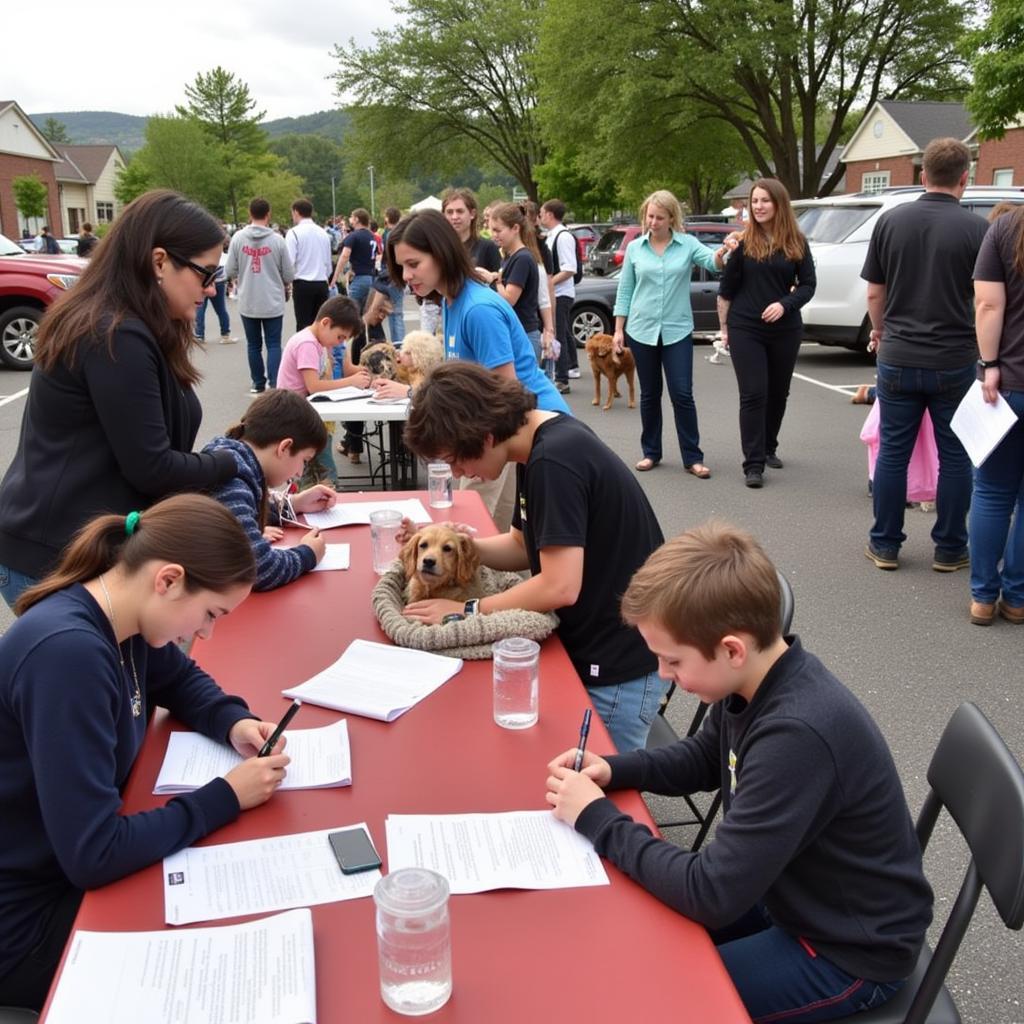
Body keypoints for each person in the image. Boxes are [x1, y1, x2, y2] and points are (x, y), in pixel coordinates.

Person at [545, 521, 932, 1022]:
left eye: (672, 661)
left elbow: (710, 893)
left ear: (732, 648)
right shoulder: (753, 680)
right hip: (788, 894)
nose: (663, 675)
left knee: (658, 996)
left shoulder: (798, 734)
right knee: (636, 937)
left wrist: (597, 819)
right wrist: (612, 770)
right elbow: (704, 758)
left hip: (848, 950)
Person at [0, 494, 291, 1011]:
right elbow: (95, 852)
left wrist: (234, 721)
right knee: (219, 969)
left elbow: (178, 680)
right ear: (168, 579)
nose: (205, 632)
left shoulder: (121, 617)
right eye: (210, 613)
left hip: (59, 872)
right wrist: (225, 796)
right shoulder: (69, 656)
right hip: (25, 921)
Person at [402, 362, 665, 753]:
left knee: (604, 794)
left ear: (484, 436)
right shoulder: (538, 447)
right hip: (592, 646)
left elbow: (560, 585)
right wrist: (460, 550)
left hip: (613, 665)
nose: (459, 471)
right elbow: (523, 547)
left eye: (456, 460)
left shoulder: (554, 462)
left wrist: (467, 610)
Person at [0, 189, 239, 610]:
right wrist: (234, 458)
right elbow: (153, 467)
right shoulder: (114, 333)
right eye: (206, 274)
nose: (212, 290)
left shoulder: (136, 324)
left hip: (85, 545)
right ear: (160, 261)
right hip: (55, 554)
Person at [382, 210, 569, 531]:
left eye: (414, 264)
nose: (407, 275)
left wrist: (465, 453)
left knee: (471, 529)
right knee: (505, 536)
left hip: (522, 431)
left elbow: (506, 395)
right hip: (507, 432)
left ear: (442, 253)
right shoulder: (451, 300)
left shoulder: (478, 308)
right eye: (401, 266)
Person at [861, 139, 988, 570]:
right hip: (953, 357)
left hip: (898, 353)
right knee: (956, 455)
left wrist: (879, 331)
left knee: (894, 451)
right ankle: (950, 548)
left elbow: (875, 291)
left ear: (922, 175)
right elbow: (987, 301)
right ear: (964, 179)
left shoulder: (891, 222)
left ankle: (885, 544)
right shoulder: (977, 230)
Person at [614, 189, 727, 478]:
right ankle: (651, 452)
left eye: (659, 217)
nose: (653, 222)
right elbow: (625, 290)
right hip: (641, 329)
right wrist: (618, 330)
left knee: (682, 393)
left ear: (671, 218)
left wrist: (725, 250)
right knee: (650, 394)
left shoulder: (687, 244)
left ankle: (693, 457)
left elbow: (713, 262)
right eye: (649, 216)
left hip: (677, 330)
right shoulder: (636, 249)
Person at [717, 178, 816, 488]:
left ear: (778, 204)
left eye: (764, 201)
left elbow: (808, 285)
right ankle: (753, 463)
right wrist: (726, 256)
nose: (758, 206)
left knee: (778, 392)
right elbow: (727, 287)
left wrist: (785, 304)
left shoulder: (796, 241)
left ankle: (768, 445)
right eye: (754, 201)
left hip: (784, 328)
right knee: (754, 393)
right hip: (746, 326)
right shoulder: (743, 242)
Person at [203, 390, 335, 590]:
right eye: (304, 461)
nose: (300, 473)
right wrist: (308, 553)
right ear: (284, 448)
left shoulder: (235, 461)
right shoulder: (232, 482)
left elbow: (248, 506)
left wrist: (294, 503)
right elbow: (259, 569)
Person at [969, 205, 1024, 625]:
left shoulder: (1006, 228)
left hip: (1006, 383)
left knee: (991, 491)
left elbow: (988, 304)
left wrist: (990, 365)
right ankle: (1018, 597)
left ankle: (983, 597)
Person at [276, 295, 371, 483]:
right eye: (340, 337)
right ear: (325, 323)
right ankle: (326, 493)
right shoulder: (307, 343)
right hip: (295, 416)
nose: (340, 342)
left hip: (303, 411)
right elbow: (314, 386)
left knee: (312, 464)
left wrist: (364, 375)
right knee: (319, 467)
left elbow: (336, 373)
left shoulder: (317, 341)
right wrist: (351, 381)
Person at [226, 197, 296, 393]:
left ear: (250, 214)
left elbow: (230, 269)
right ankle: (275, 383)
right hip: (272, 299)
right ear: (268, 214)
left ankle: (258, 383)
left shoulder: (238, 238)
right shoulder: (277, 240)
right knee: (274, 343)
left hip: (248, 298)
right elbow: (289, 274)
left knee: (253, 344)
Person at [486, 201, 543, 360]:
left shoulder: (522, 259)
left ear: (515, 228)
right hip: (517, 332)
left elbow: (510, 299)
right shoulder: (512, 256)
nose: (494, 235)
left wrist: (496, 280)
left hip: (523, 334)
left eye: (498, 230)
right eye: (492, 230)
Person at [539, 198, 580, 392]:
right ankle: (569, 369)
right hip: (556, 292)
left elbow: (569, 268)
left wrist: (548, 283)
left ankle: (562, 378)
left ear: (549, 214)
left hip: (561, 293)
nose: (539, 217)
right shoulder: (552, 235)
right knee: (562, 332)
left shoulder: (563, 236)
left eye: (541, 213)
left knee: (559, 334)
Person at [286, 198, 333, 331]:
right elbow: (328, 263)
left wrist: (287, 280)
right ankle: (318, 351)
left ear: (296, 212)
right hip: (321, 283)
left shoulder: (293, 233)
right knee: (320, 326)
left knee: (303, 325)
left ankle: (304, 352)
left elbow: (289, 262)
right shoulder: (323, 233)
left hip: (303, 283)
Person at [441, 187, 501, 279]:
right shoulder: (439, 247)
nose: (454, 217)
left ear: (472, 214)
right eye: (449, 212)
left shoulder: (488, 248)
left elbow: (499, 285)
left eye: (460, 211)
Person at [329, 208, 378, 312]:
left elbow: (344, 256)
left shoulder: (353, 236)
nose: (350, 219)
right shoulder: (371, 236)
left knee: (352, 312)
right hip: (371, 276)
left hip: (360, 277)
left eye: (351, 216)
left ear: (356, 219)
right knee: (366, 312)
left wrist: (335, 277)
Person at [194, 236, 236, 344]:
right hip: (219, 282)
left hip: (203, 282)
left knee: (200, 308)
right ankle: (225, 335)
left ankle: (199, 335)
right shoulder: (221, 254)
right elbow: (226, 270)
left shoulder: (201, 252)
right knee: (221, 309)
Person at [380, 206, 407, 344]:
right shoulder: (399, 232)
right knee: (394, 311)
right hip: (395, 274)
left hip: (392, 274)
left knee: (395, 312)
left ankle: (399, 343)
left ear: (387, 217)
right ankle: (398, 342)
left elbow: (392, 257)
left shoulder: (391, 234)